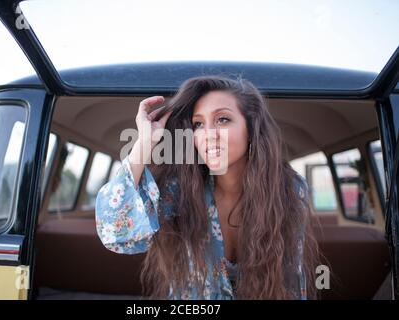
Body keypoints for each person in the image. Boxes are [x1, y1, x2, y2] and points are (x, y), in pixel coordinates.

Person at [95, 75, 319, 300]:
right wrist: (144, 143)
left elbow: (291, 278)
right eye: (198, 124)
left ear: (251, 129)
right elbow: (116, 235)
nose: (209, 135)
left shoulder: (289, 188)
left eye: (222, 119)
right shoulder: (179, 189)